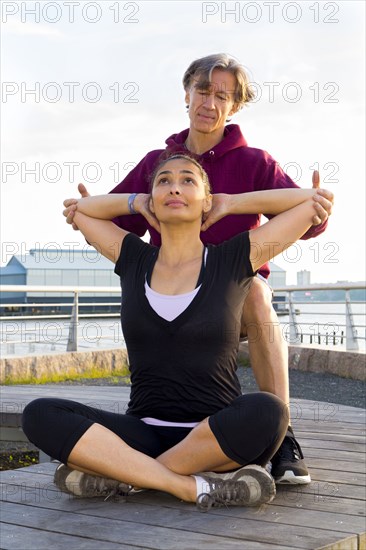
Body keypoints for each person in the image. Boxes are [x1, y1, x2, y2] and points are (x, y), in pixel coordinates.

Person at [65, 54, 334, 484]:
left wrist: (232, 201)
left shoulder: (255, 162)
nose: (210, 102)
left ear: (234, 106)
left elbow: (310, 214)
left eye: (222, 95)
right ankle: (159, 445)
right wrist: (131, 202)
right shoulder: (160, 163)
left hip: (232, 294)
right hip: (170, 290)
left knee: (258, 292)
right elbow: (100, 218)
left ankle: (282, 435)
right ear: (187, 93)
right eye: (204, 91)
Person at [23, 154, 330, 510]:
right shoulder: (133, 258)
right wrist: (135, 201)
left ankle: (125, 475)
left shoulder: (232, 259)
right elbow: (81, 209)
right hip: (142, 433)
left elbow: (309, 201)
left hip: (214, 435)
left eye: (188, 181)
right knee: (40, 413)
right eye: (163, 181)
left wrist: (231, 203)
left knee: (269, 411)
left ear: (206, 200)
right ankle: (188, 486)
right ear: (152, 200)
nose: (175, 187)